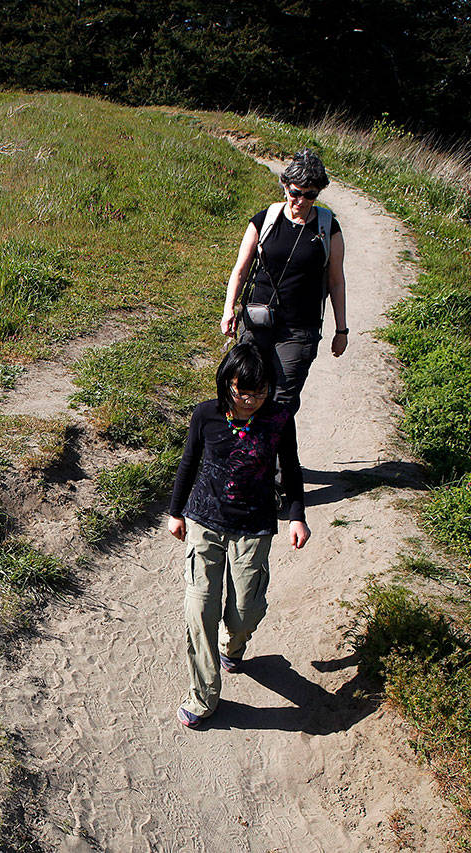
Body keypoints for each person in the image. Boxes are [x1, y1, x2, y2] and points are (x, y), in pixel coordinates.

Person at [167, 342, 310, 728]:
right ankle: (203, 696)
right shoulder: (206, 415)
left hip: (254, 526)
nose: (250, 400)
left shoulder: (279, 419)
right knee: (200, 609)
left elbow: (291, 470)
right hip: (204, 521)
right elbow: (188, 463)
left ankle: (236, 642)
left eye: (259, 391)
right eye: (241, 391)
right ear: (226, 383)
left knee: (244, 610)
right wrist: (175, 513)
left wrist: (297, 515)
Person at [220, 150, 348, 415]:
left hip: (301, 329)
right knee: (246, 390)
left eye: (309, 194)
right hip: (257, 321)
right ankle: (243, 451)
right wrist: (228, 310)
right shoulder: (265, 220)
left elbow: (336, 282)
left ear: (318, 193)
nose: (300, 201)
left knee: (282, 401)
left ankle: (276, 456)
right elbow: (240, 270)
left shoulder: (328, 228)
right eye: (295, 192)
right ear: (285, 187)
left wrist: (341, 331)